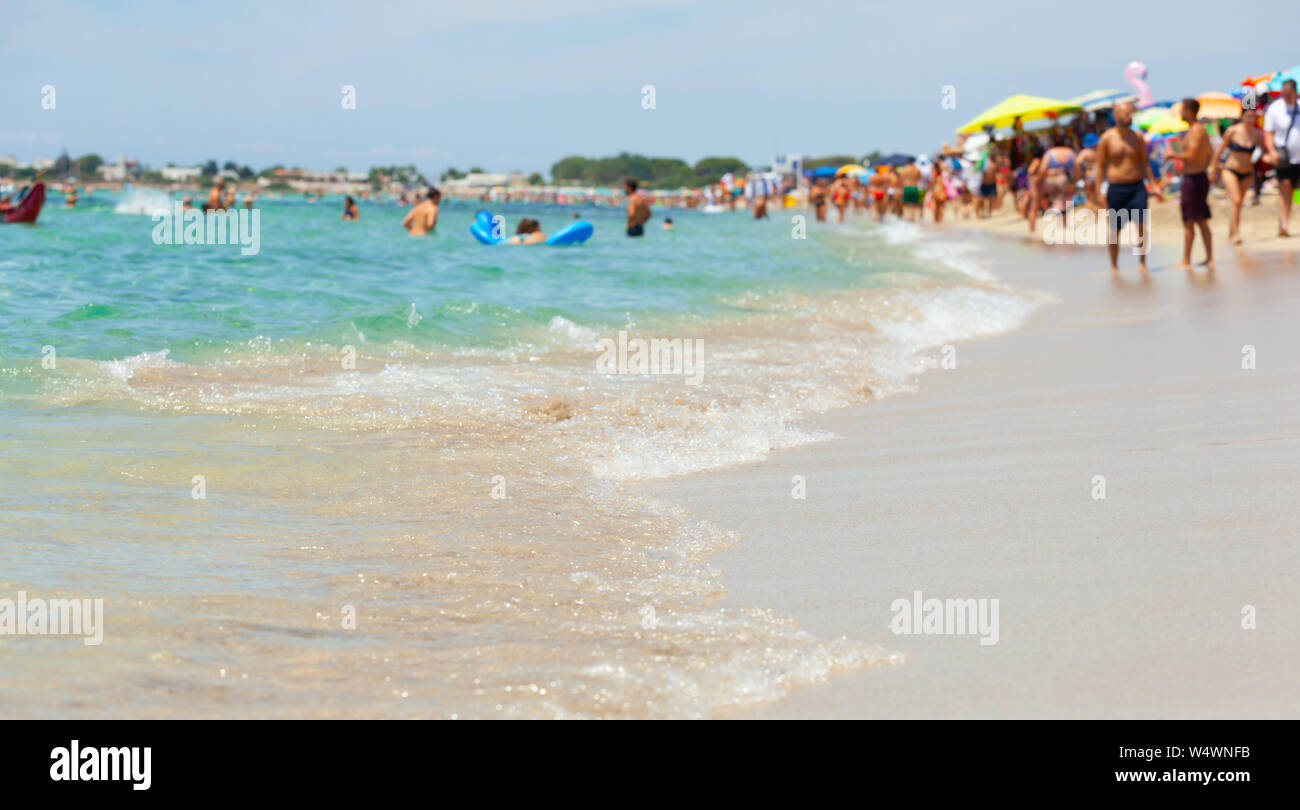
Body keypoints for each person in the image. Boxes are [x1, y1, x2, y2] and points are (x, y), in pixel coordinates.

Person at [1096, 101, 1160, 275]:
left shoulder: (1137, 137)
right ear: (1116, 116)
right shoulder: (1107, 138)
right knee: (1115, 230)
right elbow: (1100, 166)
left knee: (1141, 226)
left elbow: (1144, 162)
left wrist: (1153, 185)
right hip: (1116, 189)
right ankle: (1114, 266)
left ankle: (1142, 263)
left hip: (1137, 187)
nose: (1130, 116)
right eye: (1126, 113)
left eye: (1131, 113)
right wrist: (1099, 192)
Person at [1167, 97, 1213, 269]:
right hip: (1197, 176)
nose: (1180, 113)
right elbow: (1209, 152)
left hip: (1194, 179)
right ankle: (1208, 258)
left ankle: (1187, 259)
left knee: (1192, 220)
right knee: (1200, 219)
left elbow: (1193, 155)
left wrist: (1173, 155)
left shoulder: (1196, 130)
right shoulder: (1199, 130)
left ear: (1188, 111)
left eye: (1182, 110)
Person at [1210, 108, 1263, 245]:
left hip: (1247, 173)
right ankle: (1236, 234)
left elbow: (1263, 151)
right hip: (1230, 170)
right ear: (1242, 117)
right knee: (1237, 200)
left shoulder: (1256, 134)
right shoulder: (1232, 131)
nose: (1250, 119)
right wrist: (1213, 168)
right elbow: (1220, 150)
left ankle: (1230, 233)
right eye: (1248, 116)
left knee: (1237, 205)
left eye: (1253, 117)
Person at [1262, 78, 1300, 236]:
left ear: (1295, 93)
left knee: (1293, 191)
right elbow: (1268, 133)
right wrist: (1271, 151)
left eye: (1289, 94)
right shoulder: (1274, 108)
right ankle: (1283, 223)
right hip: (1283, 156)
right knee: (1284, 187)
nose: (1286, 97)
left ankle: (1285, 221)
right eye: (1284, 94)